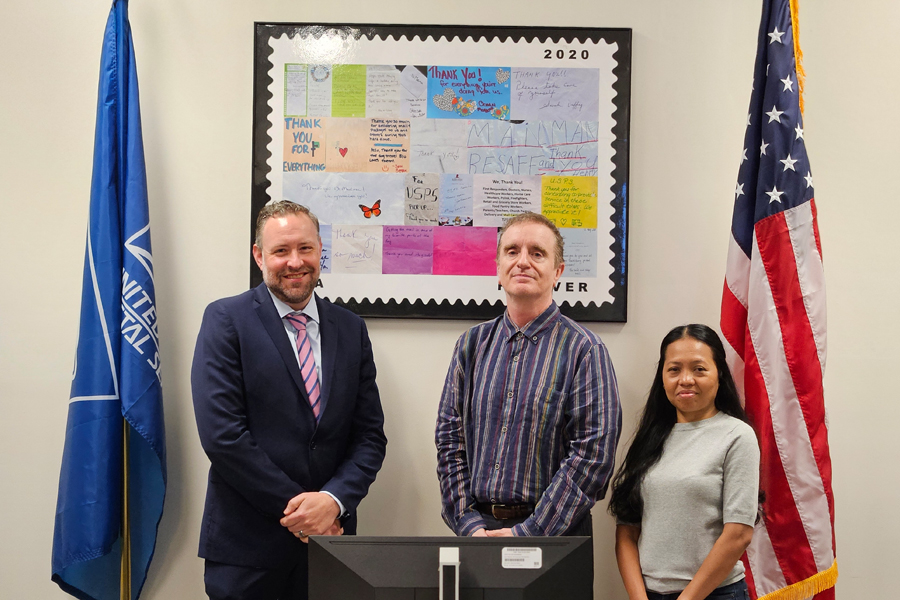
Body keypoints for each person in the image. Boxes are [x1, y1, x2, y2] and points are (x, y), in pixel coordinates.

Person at [191, 201, 387, 600]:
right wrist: (303, 515)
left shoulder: (351, 329)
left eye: (306, 248)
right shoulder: (226, 320)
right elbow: (223, 437)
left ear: (320, 251)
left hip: (331, 550)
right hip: (247, 553)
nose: (294, 262)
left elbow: (369, 437)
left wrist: (333, 503)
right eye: (281, 251)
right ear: (259, 255)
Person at [435, 212, 622, 537]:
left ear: (557, 271)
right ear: (498, 268)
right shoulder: (471, 346)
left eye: (537, 253)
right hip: (478, 532)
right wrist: (468, 524)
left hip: (555, 534)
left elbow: (594, 455)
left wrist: (530, 532)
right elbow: (450, 441)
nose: (523, 262)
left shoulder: (584, 350)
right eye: (512, 251)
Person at [608, 324, 760, 600]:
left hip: (715, 594)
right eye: (674, 369)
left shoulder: (737, 436)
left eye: (699, 369)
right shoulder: (650, 437)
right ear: (663, 377)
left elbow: (738, 534)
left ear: (719, 374)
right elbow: (627, 529)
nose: (686, 379)